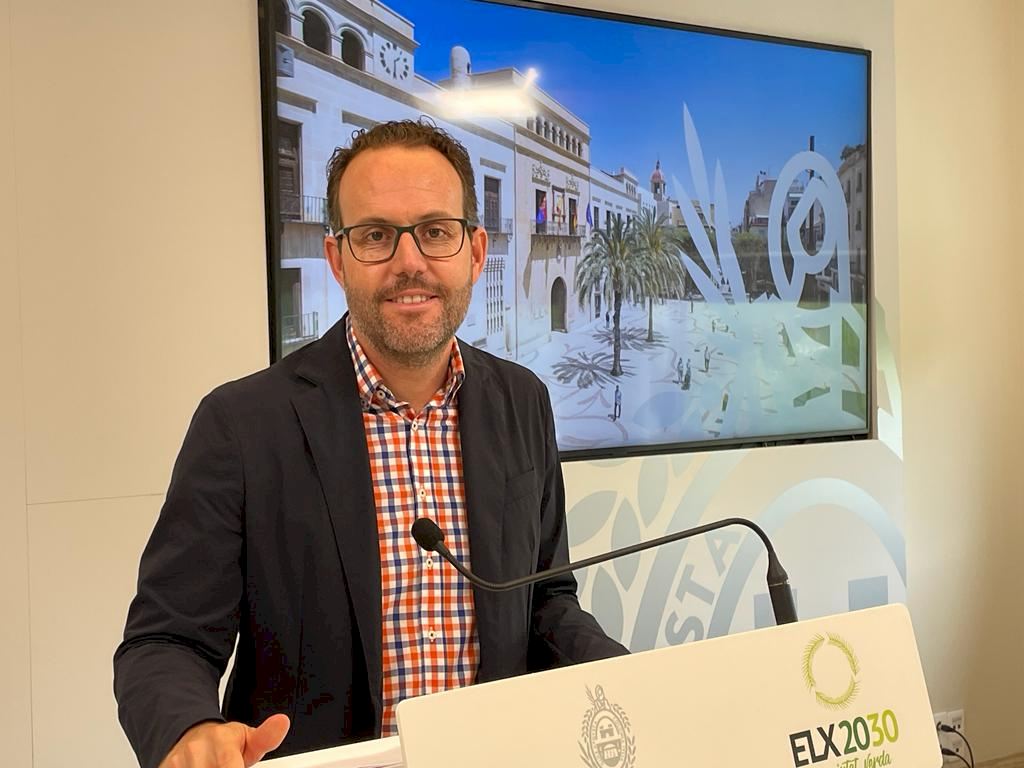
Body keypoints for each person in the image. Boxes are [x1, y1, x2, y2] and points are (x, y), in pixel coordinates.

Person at [113, 119, 627, 768]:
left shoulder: (522, 402)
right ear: (338, 260)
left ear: (474, 252)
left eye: (434, 231)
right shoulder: (241, 425)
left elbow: (547, 602)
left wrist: (633, 681)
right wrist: (187, 729)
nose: (409, 262)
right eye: (376, 235)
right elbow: (165, 641)